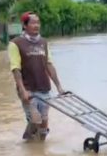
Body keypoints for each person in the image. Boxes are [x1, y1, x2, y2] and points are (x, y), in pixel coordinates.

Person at [8, 11, 65, 141]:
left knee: (43, 124)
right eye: (33, 23)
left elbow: (49, 65)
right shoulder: (15, 43)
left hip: (44, 88)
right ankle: (28, 142)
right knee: (35, 120)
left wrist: (59, 87)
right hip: (28, 89)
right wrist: (23, 91)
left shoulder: (43, 42)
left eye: (38, 22)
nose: (36, 25)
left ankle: (38, 150)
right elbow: (15, 69)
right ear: (24, 25)